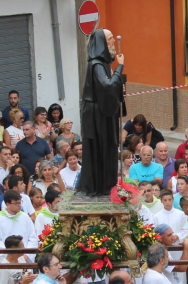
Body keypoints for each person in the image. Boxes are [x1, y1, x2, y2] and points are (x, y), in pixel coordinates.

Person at [80, 29, 126, 195]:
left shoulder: (103, 64)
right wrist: (120, 68)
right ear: (102, 43)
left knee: (105, 148)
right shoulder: (97, 64)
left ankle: (106, 184)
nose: (113, 40)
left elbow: (109, 87)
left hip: (100, 112)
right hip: (96, 115)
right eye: (110, 38)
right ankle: (100, 186)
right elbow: (106, 86)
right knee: (100, 148)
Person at [0, 190, 39, 264]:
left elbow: (32, 238)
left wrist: (26, 255)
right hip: (5, 261)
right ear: (8, 204)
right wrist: (11, 257)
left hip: (24, 259)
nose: (19, 205)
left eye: (20, 202)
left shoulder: (25, 217)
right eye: (16, 203)